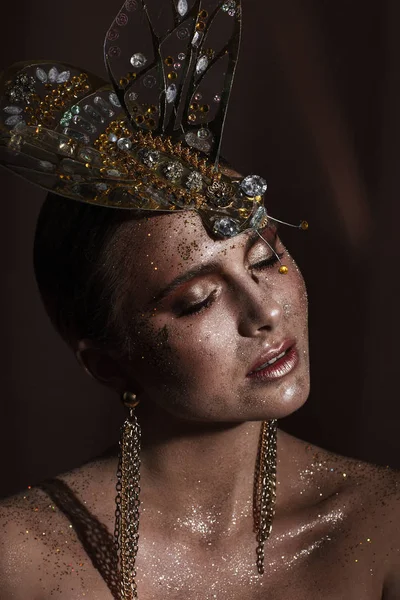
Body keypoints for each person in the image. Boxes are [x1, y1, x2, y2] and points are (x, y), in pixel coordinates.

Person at [0, 0, 399, 598]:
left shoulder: (383, 526)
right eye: (197, 301)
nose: (265, 312)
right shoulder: (19, 558)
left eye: (266, 259)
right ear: (107, 361)